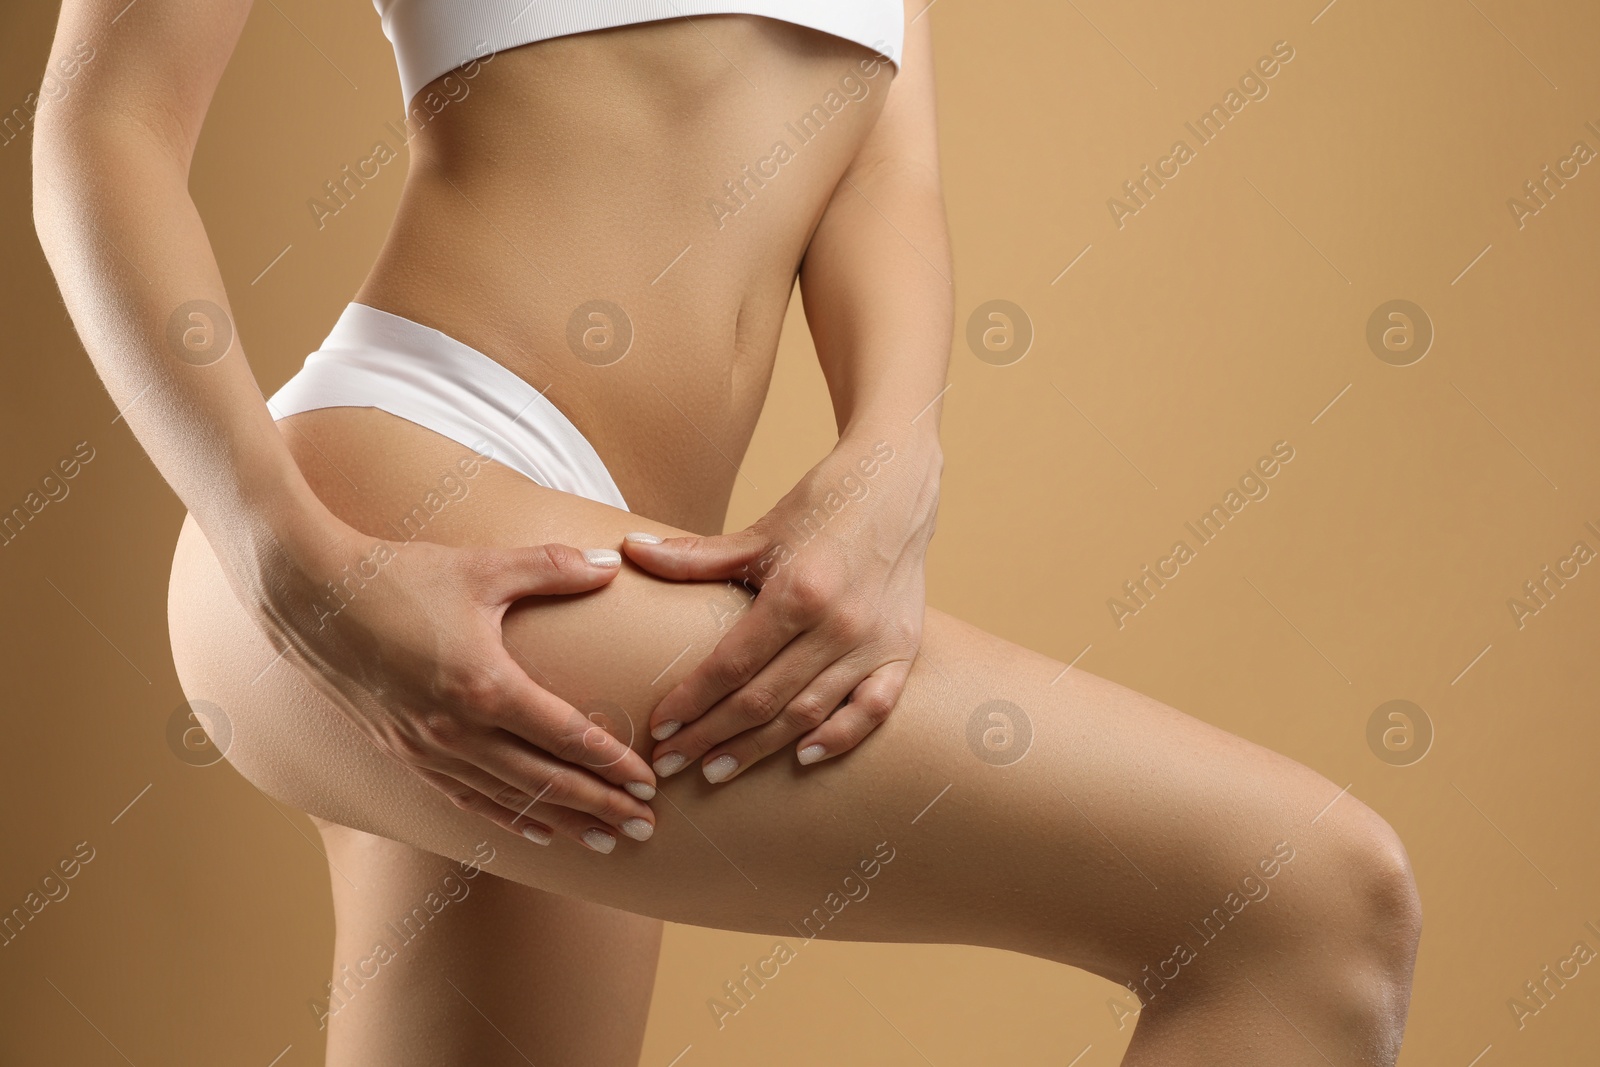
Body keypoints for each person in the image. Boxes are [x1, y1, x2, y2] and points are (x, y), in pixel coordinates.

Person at [33, 1, 1422, 1063]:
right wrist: (284, 553)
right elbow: (102, 128)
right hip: (404, 508)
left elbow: (888, 168)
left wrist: (891, 457)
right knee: (1303, 901)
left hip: (605, 551)